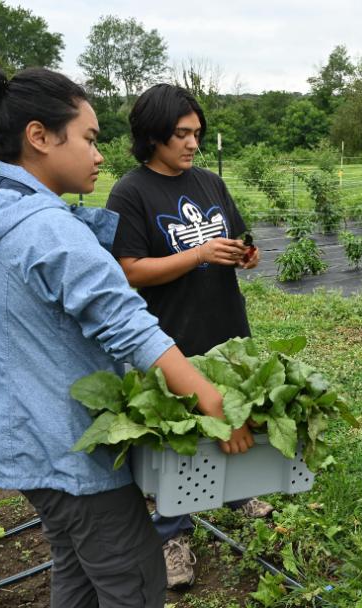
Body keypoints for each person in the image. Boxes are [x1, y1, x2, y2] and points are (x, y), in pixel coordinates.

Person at [0, 55, 253, 608]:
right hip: (70, 448)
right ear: (39, 137)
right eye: (88, 137)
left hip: (30, 440)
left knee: (78, 574)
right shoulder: (48, 229)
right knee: (133, 582)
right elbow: (130, 326)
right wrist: (214, 402)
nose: (99, 153)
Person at [105, 83, 265, 590]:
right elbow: (128, 270)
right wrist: (197, 255)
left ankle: (239, 492)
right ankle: (172, 534)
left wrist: (246, 252)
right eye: (181, 134)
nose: (193, 143)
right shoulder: (130, 192)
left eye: (197, 133)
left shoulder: (210, 183)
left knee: (231, 411)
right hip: (169, 336)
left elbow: (236, 236)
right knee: (176, 437)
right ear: (152, 136)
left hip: (224, 327)